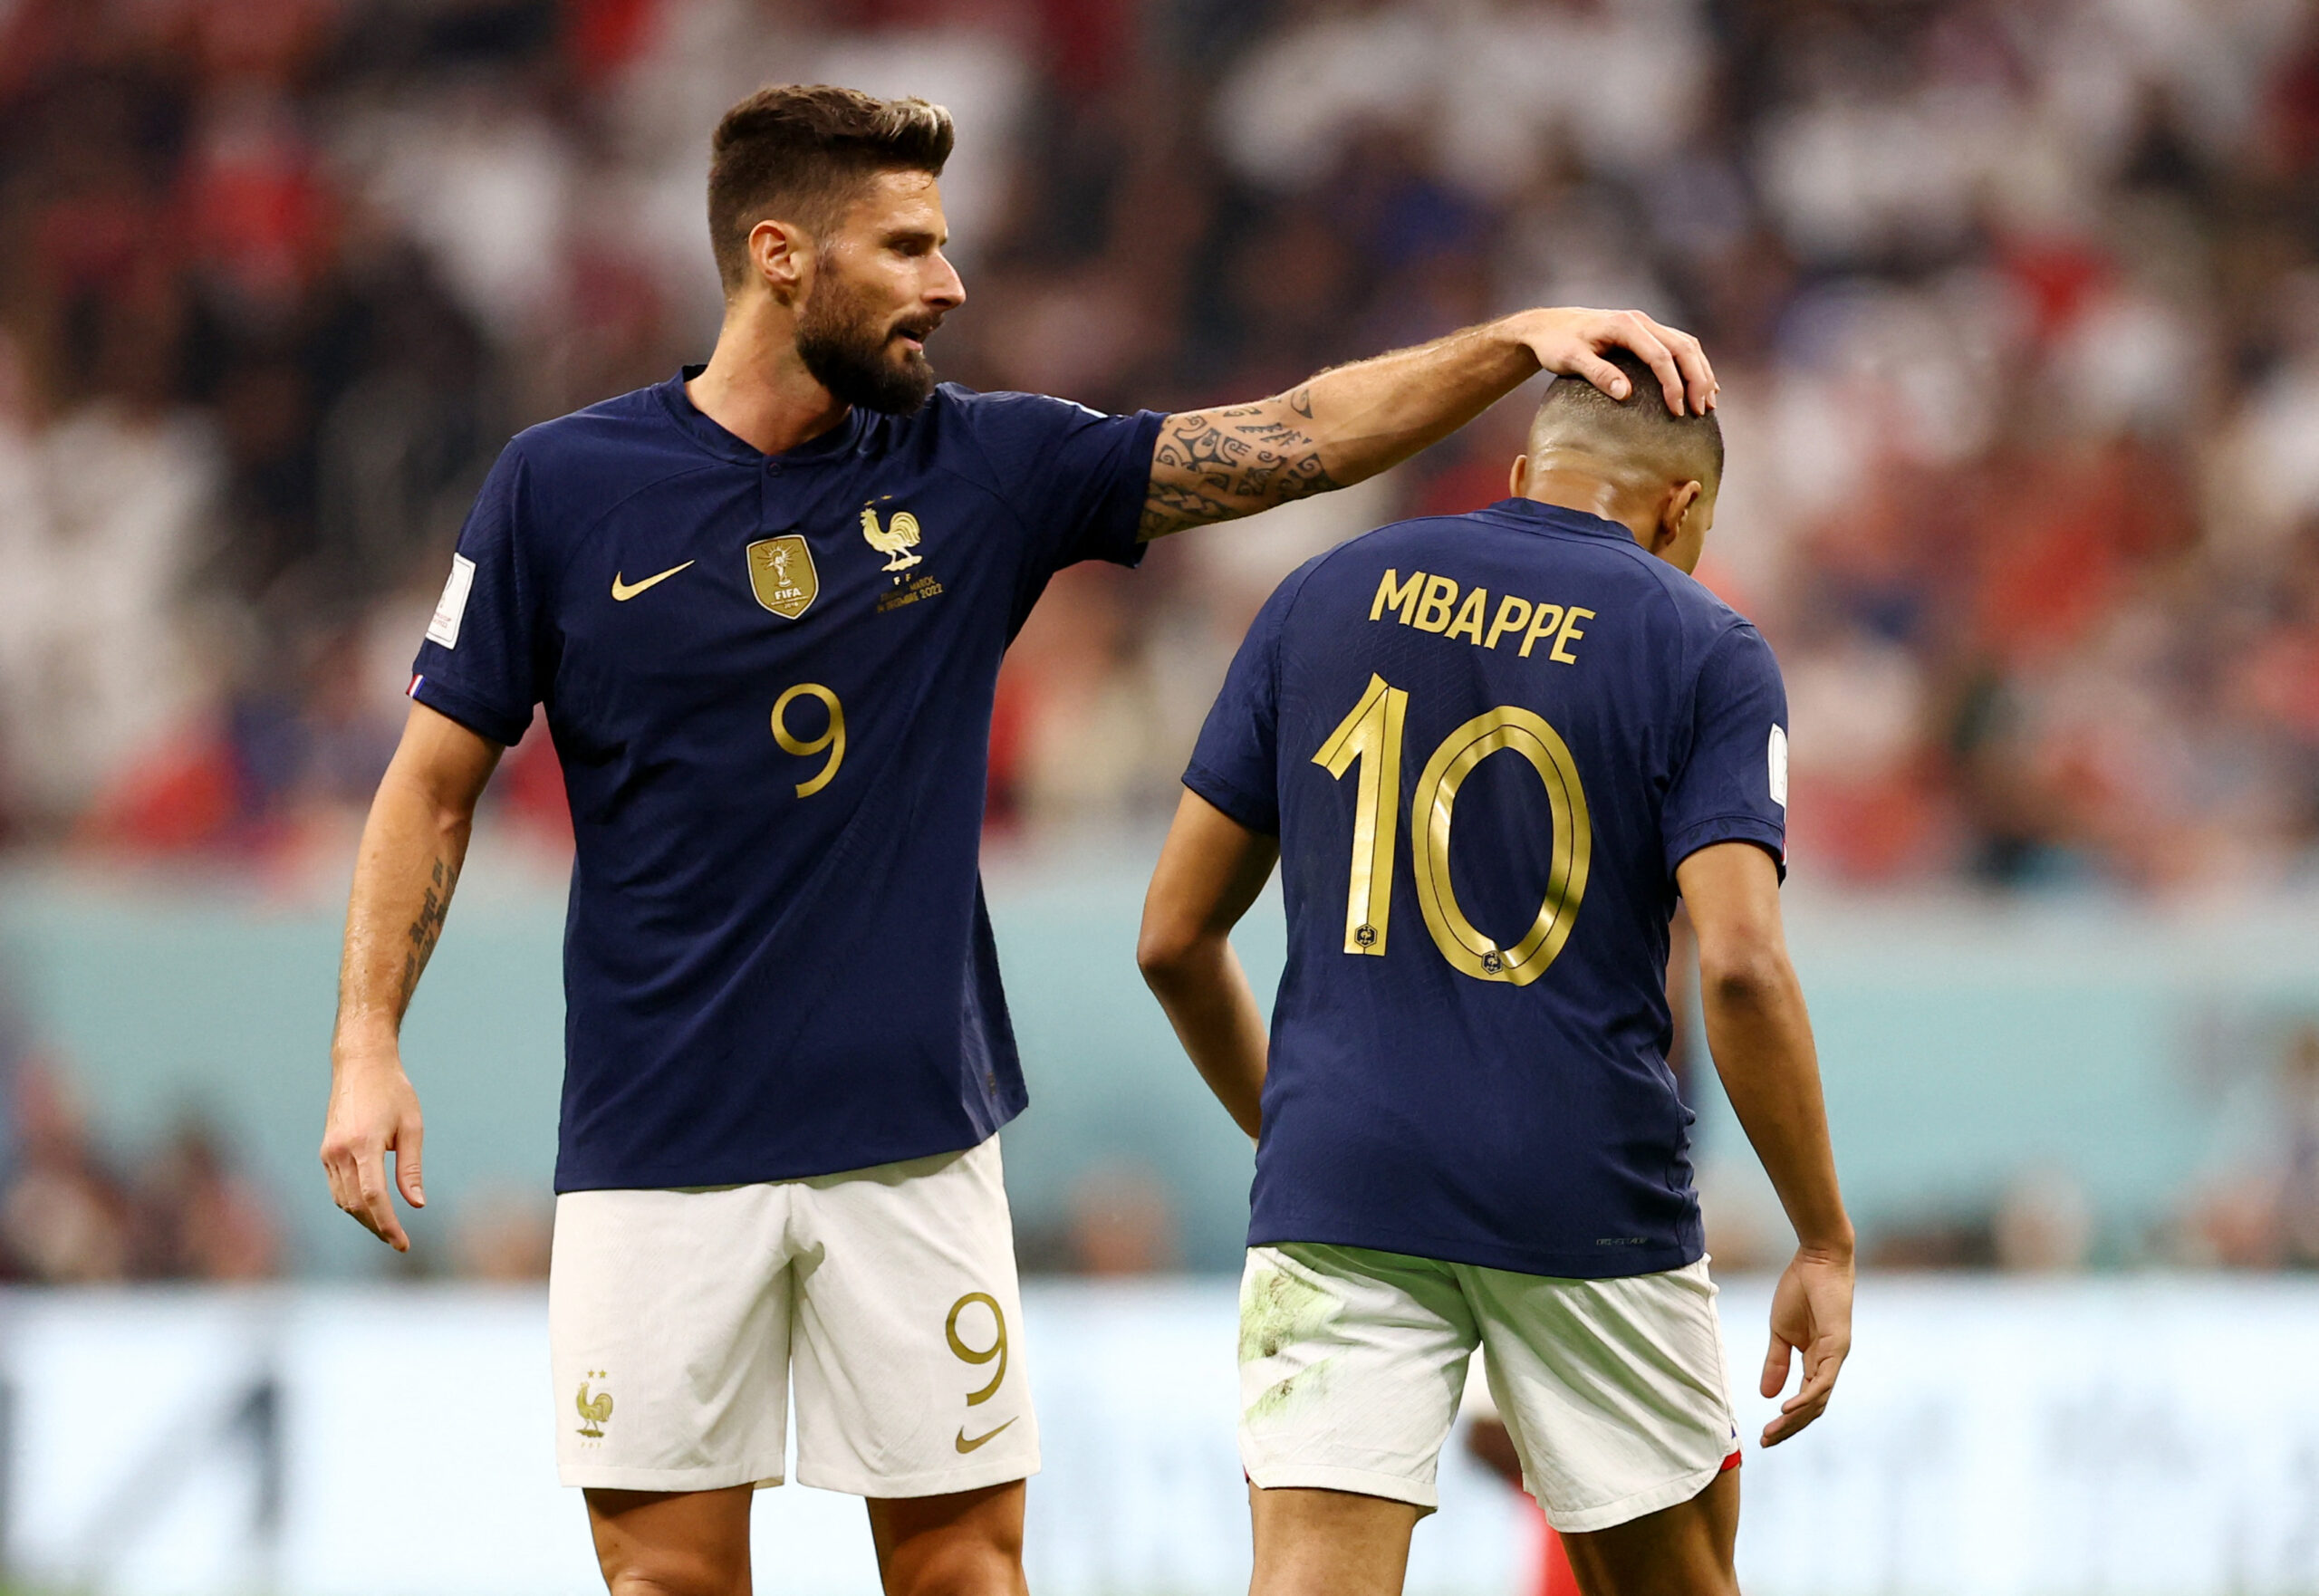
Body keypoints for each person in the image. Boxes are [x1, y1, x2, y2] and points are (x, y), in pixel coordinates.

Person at [317, 83, 1717, 1596]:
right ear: (780, 255)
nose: (950, 282)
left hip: (913, 1143)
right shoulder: (560, 486)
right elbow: (432, 781)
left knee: (968, 1574)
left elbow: (1296, 438)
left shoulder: (979, 470)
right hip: (655, 1147)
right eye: (907, 245)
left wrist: (1511, 345)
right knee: (664, 1583)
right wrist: (365, 1041)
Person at [1138, 346, 1851, 1596]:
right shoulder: (1705, 645)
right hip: (1585, 1181)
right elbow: (1739, 965)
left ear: (1527, 472)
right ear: (1681, 507)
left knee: (1309, 1574)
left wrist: (1294, 1128)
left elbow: (1173, 936)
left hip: (1342, 1179)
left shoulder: (1322, 593)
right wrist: (1824, 1236)